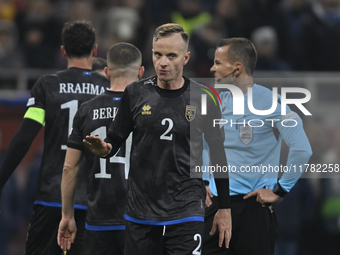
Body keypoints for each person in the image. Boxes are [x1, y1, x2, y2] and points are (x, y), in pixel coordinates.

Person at [83, 23, 231, 255]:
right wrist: (104, 149)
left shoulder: (205, 98)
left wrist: (225, 208)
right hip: (141, 213)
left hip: (186, 210)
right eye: (157, 54)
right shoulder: (135, 93)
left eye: (171, 56)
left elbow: (219, 154)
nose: (163, 62)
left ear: (186, 58)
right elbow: (114, 141)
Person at [0, 20, 110, 255]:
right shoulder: (109, 90)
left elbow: (23, 138)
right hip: (96, 200)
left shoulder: (47, 86)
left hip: (52, 197)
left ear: (63, 51)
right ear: (94, 50)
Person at [202, 38, 312, 255]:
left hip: (252, 210)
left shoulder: (271, 102)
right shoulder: (217, 103)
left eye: (218, 62)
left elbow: (302, 149)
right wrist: (205, 179)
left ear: (237, 68)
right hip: (215, 206)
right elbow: (204, 147)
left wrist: (280, 190)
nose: (212, 68)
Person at [57, 42, 144, 255]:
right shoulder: (149, 108)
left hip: (99, 218)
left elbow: (69, 167)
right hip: (141, 218)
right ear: (141, 72)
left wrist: (67, 216)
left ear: (106, 72)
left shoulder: (86, 110)